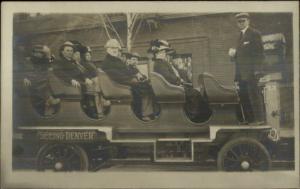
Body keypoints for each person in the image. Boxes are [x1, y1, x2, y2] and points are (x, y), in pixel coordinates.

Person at [151, 39, 212, 122]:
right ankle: (193, 117)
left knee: (195, 92)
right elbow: (168, 77)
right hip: (172, 88)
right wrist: (179, 81)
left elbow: (173, 74)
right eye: (163, 52)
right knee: (194, 93)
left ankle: (200, 115)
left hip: (173, 86)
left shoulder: (162, 63)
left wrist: (181, 79)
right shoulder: (159, 64)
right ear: (158, 53)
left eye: (164, 52)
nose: (165, 54)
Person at [100, 39, 155, 121]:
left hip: (122, 82)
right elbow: (116, 75)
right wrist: (132, 78)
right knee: (140, 87)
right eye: (112, 48)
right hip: (118, 85)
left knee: (145, 85)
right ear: (107, 49)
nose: (115, 50)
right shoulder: (108, 62)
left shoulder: (115, 60)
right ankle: (140, 115)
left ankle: (146, 112)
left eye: (116, 48)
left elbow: (126, 70)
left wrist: (134, 75)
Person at [228, 13, 265, 125]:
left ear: (248, 21)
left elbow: (259, 54)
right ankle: (250, 120)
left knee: (254, 95)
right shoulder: (240, 36)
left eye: (243, 21)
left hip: (251, 73)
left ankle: (259, 119)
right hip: (241, 74)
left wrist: (258, 71)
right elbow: (240, 57)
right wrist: (233, 55)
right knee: (244, 97)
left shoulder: (254, 34)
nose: (241, 23)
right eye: (239, 22)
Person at [23, 45, 60, 116]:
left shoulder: (45, 59)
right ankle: (48, 99)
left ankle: (49, 99)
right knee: (42, 80)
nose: (38, 54)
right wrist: (25, 77)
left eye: (41, 53)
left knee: (49, 79)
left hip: (41, 78)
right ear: (34, 53)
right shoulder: (29, 60)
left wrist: (49, 55)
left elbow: (51, 64)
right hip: (34, 80)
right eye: (37, 52)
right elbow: (25, 70)